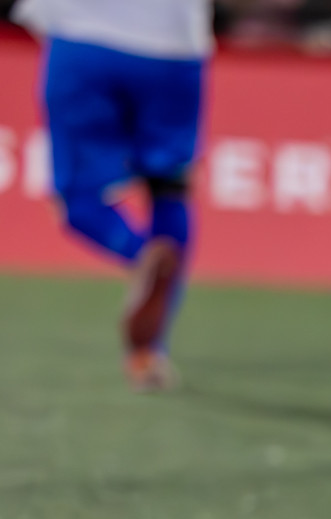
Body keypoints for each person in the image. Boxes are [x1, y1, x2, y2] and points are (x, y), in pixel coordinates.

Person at [11, 0, 212, 391]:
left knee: (77, 199)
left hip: (83, 35)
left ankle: (139, 257)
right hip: (174, 45)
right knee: (170, 187)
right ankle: (148, 353)